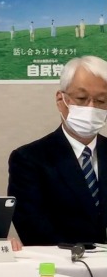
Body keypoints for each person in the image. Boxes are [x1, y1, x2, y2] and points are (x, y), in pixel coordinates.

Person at [8, 56, 107, 246]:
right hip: (60, 261)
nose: (91, 108)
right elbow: (32, 228)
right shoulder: (29, 159)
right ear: (61, 99)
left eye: (101, 100)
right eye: (81, 99)